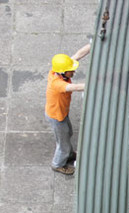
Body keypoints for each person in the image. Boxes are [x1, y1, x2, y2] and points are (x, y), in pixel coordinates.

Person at [46, 43, 91, 176]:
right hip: (56, 116)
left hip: (61, 113)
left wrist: (92, 45)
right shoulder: (58, 84)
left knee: (68, 133)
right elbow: (76, 87)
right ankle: (58, 164)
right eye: (71, 70)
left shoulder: (58, 70)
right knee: (63, 143)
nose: (74, 72)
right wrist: (96, 83)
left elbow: (77, 55)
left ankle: (69, 154)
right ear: (63, 72)